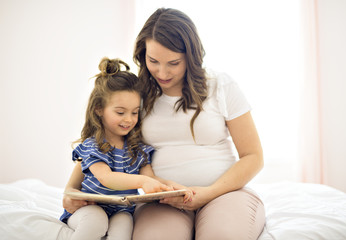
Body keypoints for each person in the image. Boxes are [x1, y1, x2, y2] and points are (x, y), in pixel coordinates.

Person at [63, 8, 265, 240]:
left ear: (191, 56)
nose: (162, 72)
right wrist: (70, 190)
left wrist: (209, 193)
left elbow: (253, 156)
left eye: (173, 63)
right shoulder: (136, 95)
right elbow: (100, 143)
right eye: (153, 61)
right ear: (142, 54)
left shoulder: (221, 86)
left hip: (224, 194)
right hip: (162, 201)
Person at [60, 57, 179, 240]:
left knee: (124, 228)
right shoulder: (93, 146)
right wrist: (142, 182)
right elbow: (106, 178)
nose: (129, 120)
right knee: (95, 221)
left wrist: (173, 187)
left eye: (134, 112)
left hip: (121, 210)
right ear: (99, 109)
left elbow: (150, 178)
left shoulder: (137, 150)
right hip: (89, 208)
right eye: (120, 112)